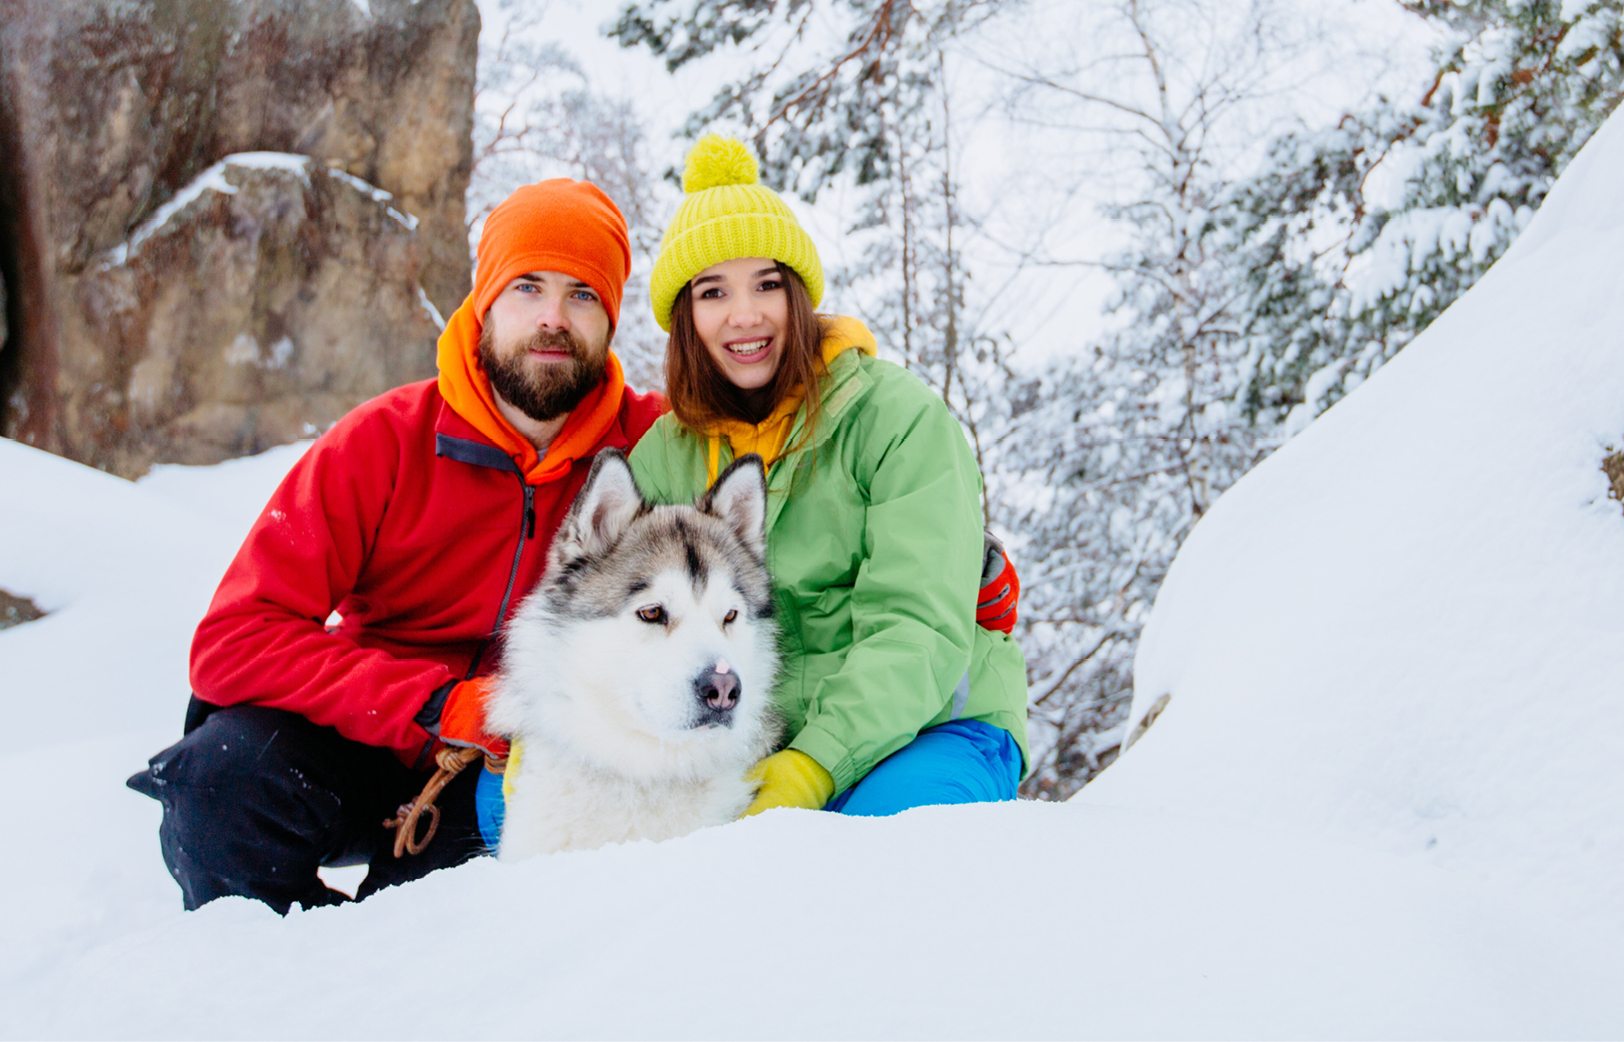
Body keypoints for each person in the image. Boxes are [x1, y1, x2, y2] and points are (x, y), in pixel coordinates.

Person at [126, 180, 667, 913]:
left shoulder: (653, 447)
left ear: (610, 318)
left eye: (582, 295)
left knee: (430, 932)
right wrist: (434, 702)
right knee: (221, 778)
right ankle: (271, 982)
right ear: (482, 303)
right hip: (366, 742)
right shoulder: (382, 442)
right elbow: (233, 642)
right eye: (527, 286)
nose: (552, 318)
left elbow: (775, 420)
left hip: (522, 768)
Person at [623, 135, 1030, 817]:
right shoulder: (665, 458)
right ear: (685, 318)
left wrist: (814, 765)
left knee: (879, 850)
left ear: (799, 297)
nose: (744, 314)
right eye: (713, 291)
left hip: (932, 726)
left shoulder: (895, 420)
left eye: (767, 285)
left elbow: (918, 624)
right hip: (749, 738)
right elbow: (616, 622)